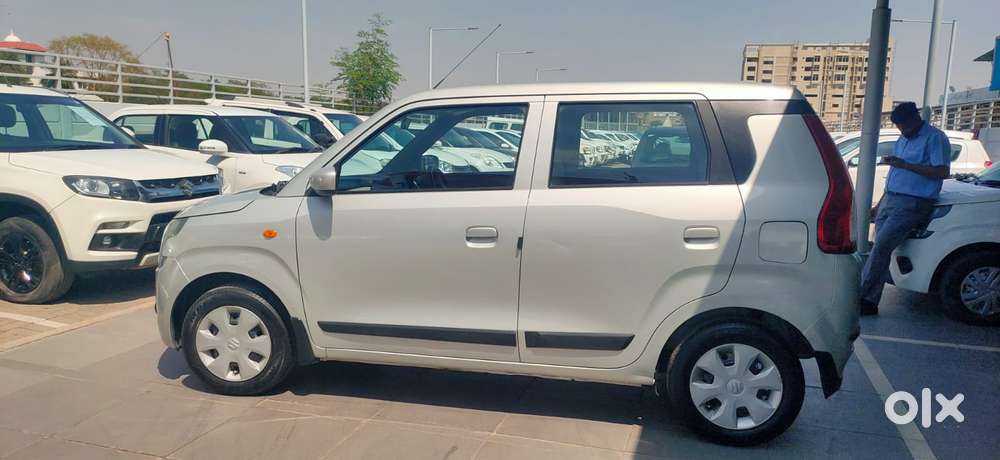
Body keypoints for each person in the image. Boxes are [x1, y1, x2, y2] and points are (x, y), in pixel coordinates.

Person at [859, 102, 950, 315]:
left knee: (881, 247)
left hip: (913, 202)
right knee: (879, 250)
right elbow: (894, 175)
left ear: (914, 119)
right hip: (891, 199)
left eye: (903, 126)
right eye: (898, 127)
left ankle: (861, 295)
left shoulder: (934, 138)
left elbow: (942, 171)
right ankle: (870, 301)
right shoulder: (903, 139)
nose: (901, 130)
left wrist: (905, 165)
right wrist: (880, 204)